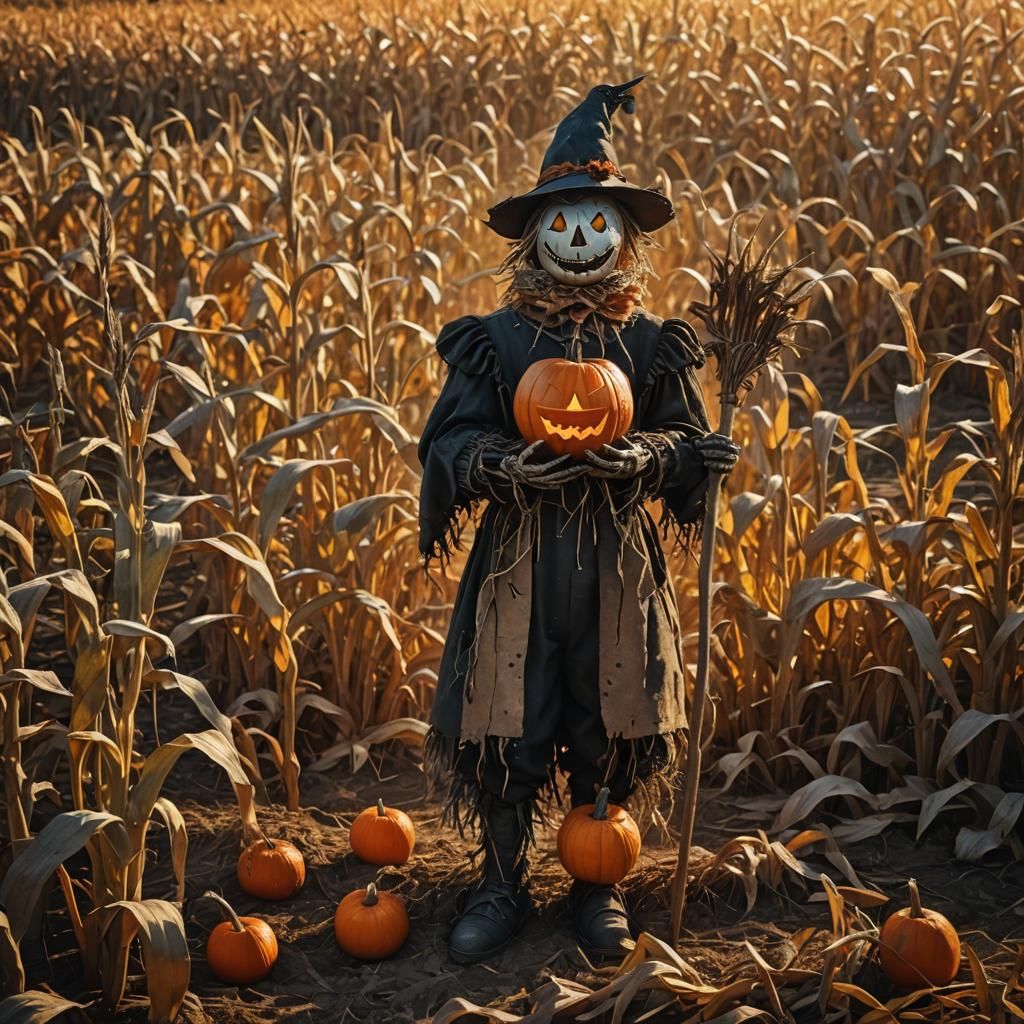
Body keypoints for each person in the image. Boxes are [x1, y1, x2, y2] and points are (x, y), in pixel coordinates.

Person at [417, 76, 740, 965]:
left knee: (612, 709)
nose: (580, 238)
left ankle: (600, 886)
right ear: (535, 238)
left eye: (596, 223)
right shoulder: (495, 339)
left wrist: (660, 457)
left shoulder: (650, 344)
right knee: (509, 712)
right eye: (562, 224)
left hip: (616, 560)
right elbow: (446, 444)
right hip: (520, 557)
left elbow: (683, 437)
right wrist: (495, 462)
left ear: (622, 236)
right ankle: (501, 881)